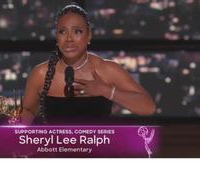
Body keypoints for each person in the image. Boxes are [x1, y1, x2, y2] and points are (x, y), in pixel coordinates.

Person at [20, 4, 156, 125]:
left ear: (89, 35)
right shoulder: (40, 73)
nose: (69, 39)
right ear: (57, 37)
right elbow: (27, 113)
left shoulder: (107, 70)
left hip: (99, 151)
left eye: (77, 31)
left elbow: (148, 107)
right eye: (62, 32)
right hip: (55, 151)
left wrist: (107, 91)